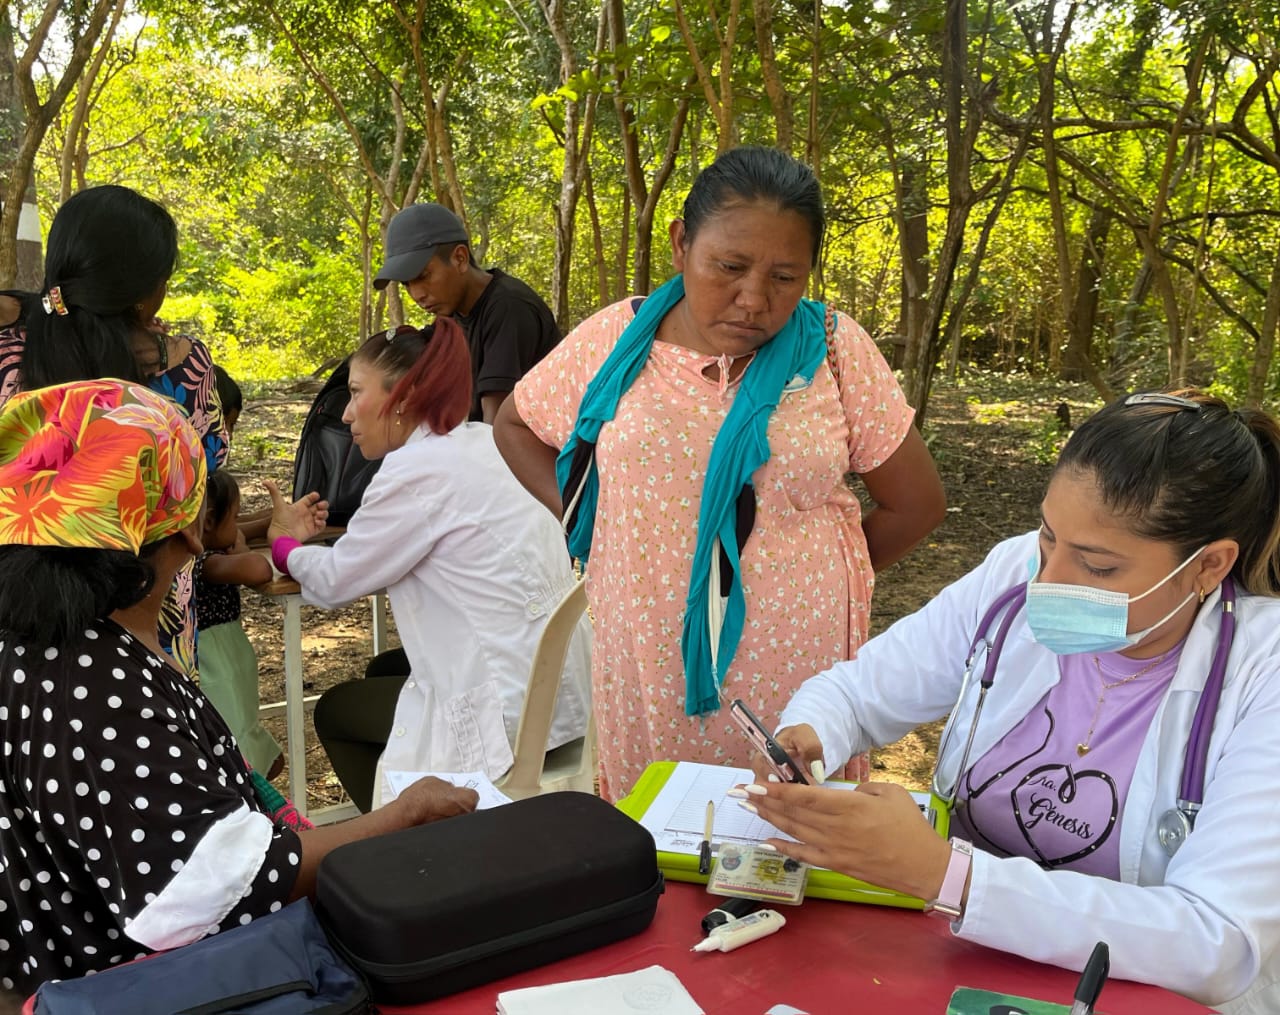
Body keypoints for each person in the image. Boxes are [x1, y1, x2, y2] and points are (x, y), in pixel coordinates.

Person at [742, 389, 1280, 1013]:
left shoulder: (1262, 673)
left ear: (1210, 565)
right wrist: (809, 732)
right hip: (950, 964)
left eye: (1098, 567)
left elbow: (1219, 943)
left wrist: (948, 876)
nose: (1046, 583)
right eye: (1049, 537)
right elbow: (858, 691)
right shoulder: (1013, 575)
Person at [493, 145, 946, 802]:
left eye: (785, 277)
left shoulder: (834, 351)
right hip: (648, 652)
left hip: (798, 665)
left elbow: (917, 504)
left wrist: (811, 576)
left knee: (793, 839)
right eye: (728, 267)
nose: (754, 299)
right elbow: (516, 423)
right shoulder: (618, 342)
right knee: (660, 831)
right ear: (681, 243)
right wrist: (594, 522)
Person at [0, 379, 477, 997]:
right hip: (149, 992)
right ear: (192, 530)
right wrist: (400, 818)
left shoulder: (43, 645)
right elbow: (206, 886)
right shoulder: (91, 683)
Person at [266, 317, 591, 813]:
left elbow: (335, 582)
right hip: (564, 690)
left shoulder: (413, 472)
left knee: (337, 710)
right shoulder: (488, 440)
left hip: (509, 712)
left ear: (404, 396)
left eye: (356, 393)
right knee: (383, 668)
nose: (348, 414)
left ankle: (400, 839)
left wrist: (285, 544)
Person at [0, 184, 228, 677]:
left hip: (14, 627)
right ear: (146, 292)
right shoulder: (183, 367)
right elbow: (201, 490)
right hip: (149, 628)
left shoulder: (8, 356)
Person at [373, 202, 560, 423]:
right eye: (406, 284)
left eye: (423, 276)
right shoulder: (451, 317)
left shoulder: (509, 308)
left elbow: (495, 428)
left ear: (460, 258)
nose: (417, 294)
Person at [193, 469, 285, 779]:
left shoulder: (204, 548)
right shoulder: (204, 563)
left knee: (245, 728)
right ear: (208, 521)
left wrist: (264, 521)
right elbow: (258, 569)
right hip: (217, 667)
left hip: (227, 659)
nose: (237, 525)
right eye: (234, 518)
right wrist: (244, 547)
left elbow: (237, 528)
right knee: (236, 739)